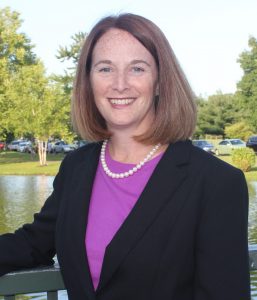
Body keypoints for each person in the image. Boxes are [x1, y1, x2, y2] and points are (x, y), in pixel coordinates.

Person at [0, 13, 250, 300]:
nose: (120, 84)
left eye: (137, 69)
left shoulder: (215, 182)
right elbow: (34, 243)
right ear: (89, 81)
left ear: (159, 82)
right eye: (105, 69)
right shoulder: (77, 167)